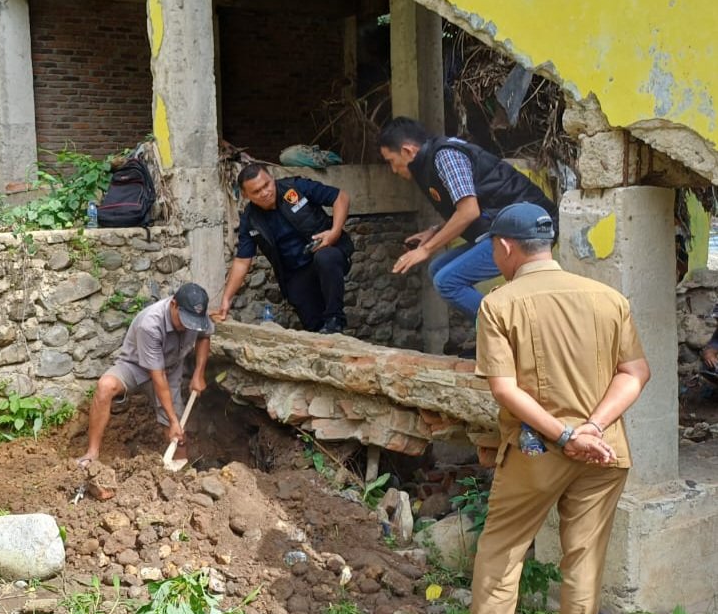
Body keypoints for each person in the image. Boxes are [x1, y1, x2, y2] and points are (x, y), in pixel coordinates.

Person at [446, 202, 650, 614]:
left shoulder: (500, 303)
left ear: (504, 246)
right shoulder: (608, 298)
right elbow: (635, 372)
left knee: (504, 544)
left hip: (539, 452)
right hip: (604, 452)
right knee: (584, 555)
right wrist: (592, 429)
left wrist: (564, 435)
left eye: (493, 247)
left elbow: (504, 389)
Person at [379, 117, 559, 322]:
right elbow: (472, 206)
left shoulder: (445, 156)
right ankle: (494, 332)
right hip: (502, 226)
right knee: (437, 269)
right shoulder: (431, 161)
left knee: (448, 281)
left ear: (407, 151)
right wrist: (434, 232)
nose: (393, 170)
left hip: (528, 230)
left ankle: (505, 333)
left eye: (391, 161)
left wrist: (426, 249)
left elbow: (468, 212)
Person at [77, 283, 213, 491]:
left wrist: (198, 373)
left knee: (178, 432)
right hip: (136, 365)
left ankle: (183, 474)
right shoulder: (150, 324)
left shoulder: (198, 317)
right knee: (105, 387)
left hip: (170, 367)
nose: (188, 327)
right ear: (174, 305)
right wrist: (173, 418)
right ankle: (92, 453)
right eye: (185, 321)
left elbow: (205, 336)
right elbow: (157, 377)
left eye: (193, 323)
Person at [214, 163, 353, 334]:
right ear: (245, 195)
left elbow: (341, 197)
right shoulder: (250, 219)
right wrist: (226, 299)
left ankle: (335, 318)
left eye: (267, 185)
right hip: (294, 272)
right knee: (314, 327)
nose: (265, 192)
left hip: (325, 252)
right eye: (257, 191)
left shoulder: (295, 188)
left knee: (325, 258)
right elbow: (242, 261)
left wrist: (335, 232)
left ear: (272, 178)